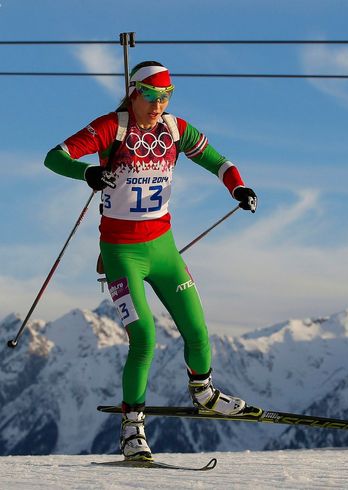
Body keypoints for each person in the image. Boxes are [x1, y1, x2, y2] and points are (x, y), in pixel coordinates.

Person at [44, 61, 259, 462]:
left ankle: (204, 394)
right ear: (134, 92)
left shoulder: (175, 129)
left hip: (163, 249)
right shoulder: (112, 127)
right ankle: (132, 429)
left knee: (197, 330)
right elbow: (53, 157)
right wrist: (87, 172)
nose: (159, 104)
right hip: (121, 252)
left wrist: (238, 187)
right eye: (152, 96)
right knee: (144, 339)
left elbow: (220, 161)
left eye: (167, 96)